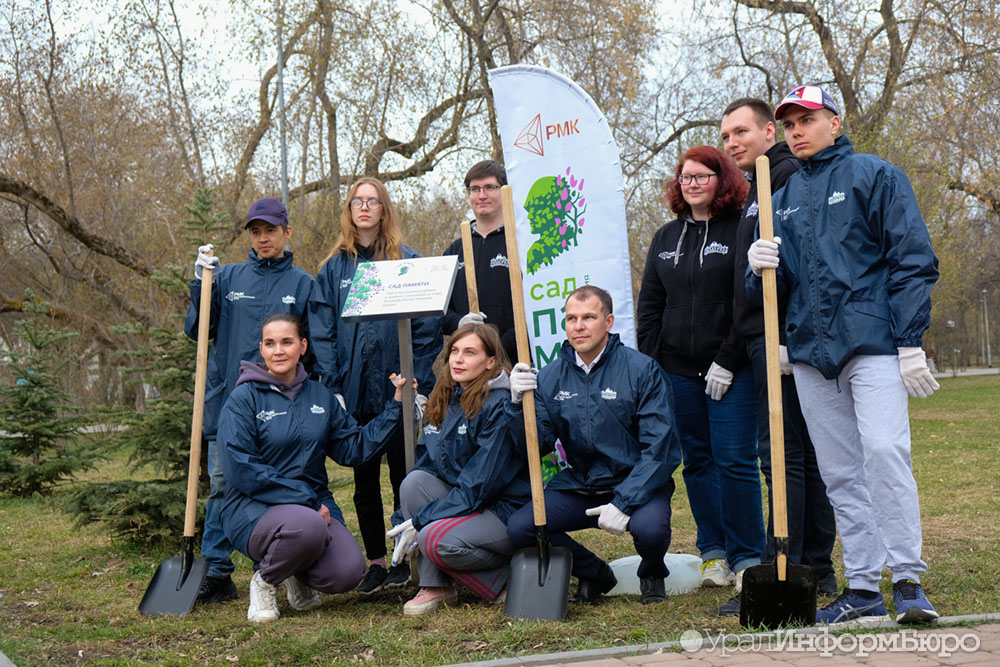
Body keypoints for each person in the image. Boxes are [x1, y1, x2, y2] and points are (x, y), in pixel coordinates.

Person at [747, 85, 940, 625]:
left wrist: (909, 341)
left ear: (834, 122)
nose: (796, 131)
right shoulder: (778, 199)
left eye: (806, 120)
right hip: (810, 356)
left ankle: (907, 580)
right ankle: (862, 589)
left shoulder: (874, 175)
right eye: (788, 124)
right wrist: (755, 265)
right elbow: (772, 288)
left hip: (873, 344)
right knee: (839, 474)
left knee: (884, 453)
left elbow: (913, 259)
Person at [185, 196, 335, 604]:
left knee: (283, 484)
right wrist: (202, 284)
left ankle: (276, 565)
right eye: (256, 231)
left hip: (288, 412)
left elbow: (318, 346)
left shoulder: (304, 284)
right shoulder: (229, 278)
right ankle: (216, 571)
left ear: (287, 232)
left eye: (271, 230)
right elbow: (196, 330)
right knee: (222, 483)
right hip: (230, 402)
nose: (263, 238)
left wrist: (325, 392)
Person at [719, 97, 837, 614]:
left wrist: (787, 334)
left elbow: (803, 266)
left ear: (770, 132)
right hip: (768, 339)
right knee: (802, 455)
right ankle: (817, 565)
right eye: (726, 136)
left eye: (741, 132)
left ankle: (784, 563)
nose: (732, 143)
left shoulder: (785, 179)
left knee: (784, 456)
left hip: (784, 340)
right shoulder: (757, 186)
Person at [216, 312, 410, 623]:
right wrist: (305, 500)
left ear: (303, 346)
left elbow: (354, 448)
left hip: (312, 506)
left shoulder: (321, 396)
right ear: (261, 349)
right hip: (253, 506)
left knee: (348, 572)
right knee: (307, 525)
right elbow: (241, 468)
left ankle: (294, 571)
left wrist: (395, 407)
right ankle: (265, 582)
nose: (278, 350)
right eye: (270, 343)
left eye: (287, 342)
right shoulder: (244, 398)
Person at [635, 146, 765, 608]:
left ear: (722, 179)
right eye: (685, 177)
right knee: (699, 463)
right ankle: (714, 552)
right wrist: (652, 366)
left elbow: (745, 301)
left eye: (702, 176)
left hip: (731, 370)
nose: (692, 184)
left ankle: (750, 555)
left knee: (735, 461)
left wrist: (728, 358)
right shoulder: (665, 236)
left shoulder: (740, 229)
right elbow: (650, 306)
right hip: (677, 373)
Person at [507, 286, 682, 605]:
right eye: (571, 318)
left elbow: (662, 450)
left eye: (589, 317)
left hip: (635, 484)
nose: (579, 326)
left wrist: (625, 502)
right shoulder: (549, 377)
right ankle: (594, 573)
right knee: (521, 527)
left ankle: (652, 572)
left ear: (609, 321)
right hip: (581, 485)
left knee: (651, 530)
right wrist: (517, 405)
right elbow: (536, 446)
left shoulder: (642, 370)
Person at [316, 177, 442, 595]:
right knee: (364, 481)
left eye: (373, 202)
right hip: (355, 396)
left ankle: (406, 558)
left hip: (400, 391)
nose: (365, 208)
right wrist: (332, 385)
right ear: (349, 210)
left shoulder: (405, 261)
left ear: (384, 209)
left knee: (406, 476)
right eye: (357, 201)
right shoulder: (335, 269)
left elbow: (426, 329)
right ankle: (374, 560)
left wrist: (418, 382)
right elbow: (322, 333)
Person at [386, 323, 530, 615]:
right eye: (454, 351)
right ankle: (437, 585)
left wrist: (420, 521)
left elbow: (478, 487)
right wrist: (404, 518)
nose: (458, 359)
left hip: (502, 510)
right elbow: (428, 465)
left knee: (431, 539)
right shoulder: (446, 399)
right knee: (413, 483)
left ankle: (502, 576)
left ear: (490, 362)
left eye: (470, 352)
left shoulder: (499, 405)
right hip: (465, 505)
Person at [441, 160, 519, 364]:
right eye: (474, 189)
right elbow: (438, 311)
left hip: (512, 364)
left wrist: (494, 350)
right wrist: (458, 323)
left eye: (489, 187)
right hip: (464, 367)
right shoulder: (454, 251)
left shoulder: (520, 245)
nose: (481, 195)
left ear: (504, 191)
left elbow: (532, 309)